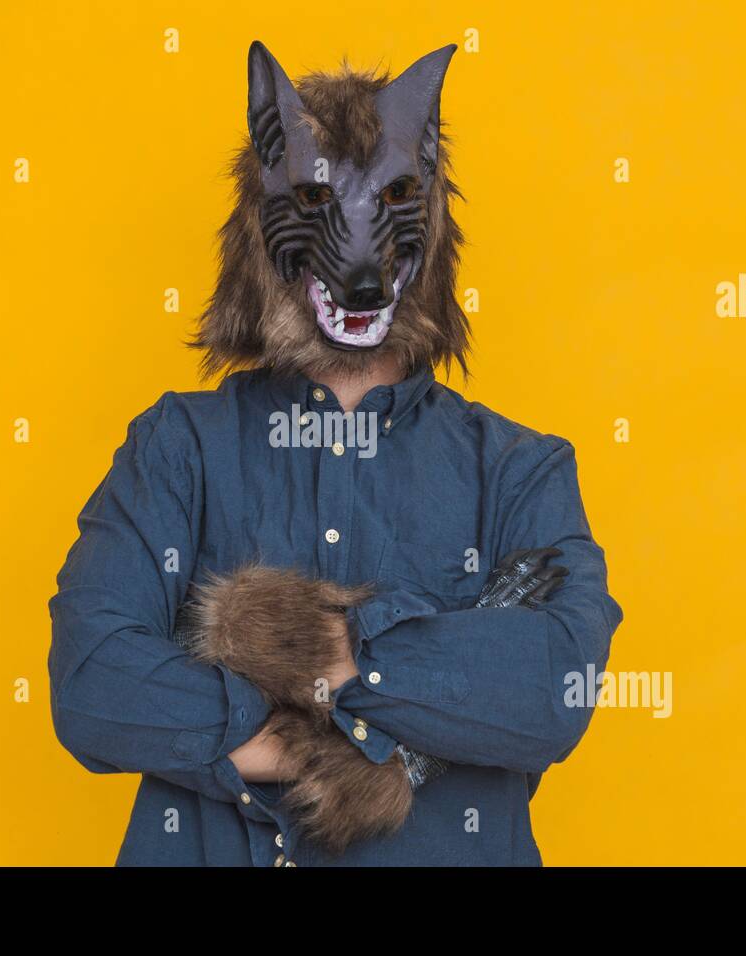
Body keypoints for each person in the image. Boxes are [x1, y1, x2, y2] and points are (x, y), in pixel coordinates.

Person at [47, 41, 622, 866]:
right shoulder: (176, 448)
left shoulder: (520, 468)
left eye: (391, 195)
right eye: (315, 198)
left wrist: (309, 652)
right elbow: (92, 684)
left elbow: (553, 691)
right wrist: (324, 750)